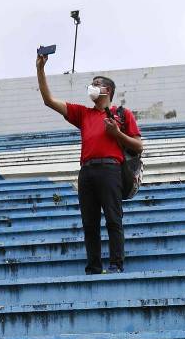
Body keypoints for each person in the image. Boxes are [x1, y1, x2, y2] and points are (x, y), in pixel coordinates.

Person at [36, 52, 143, 275]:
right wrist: (40, 69)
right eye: (92, 84)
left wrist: (117, 133)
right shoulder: (83, 113)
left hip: (111, 169)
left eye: (97, 84)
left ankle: (116, 264)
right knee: (90, 223)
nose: (92, 87)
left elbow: (138, 146)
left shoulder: (122, 114)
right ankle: (94, 267)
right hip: (86, 171)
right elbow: (48, 100)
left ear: (108, 90)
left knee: (114, 218)